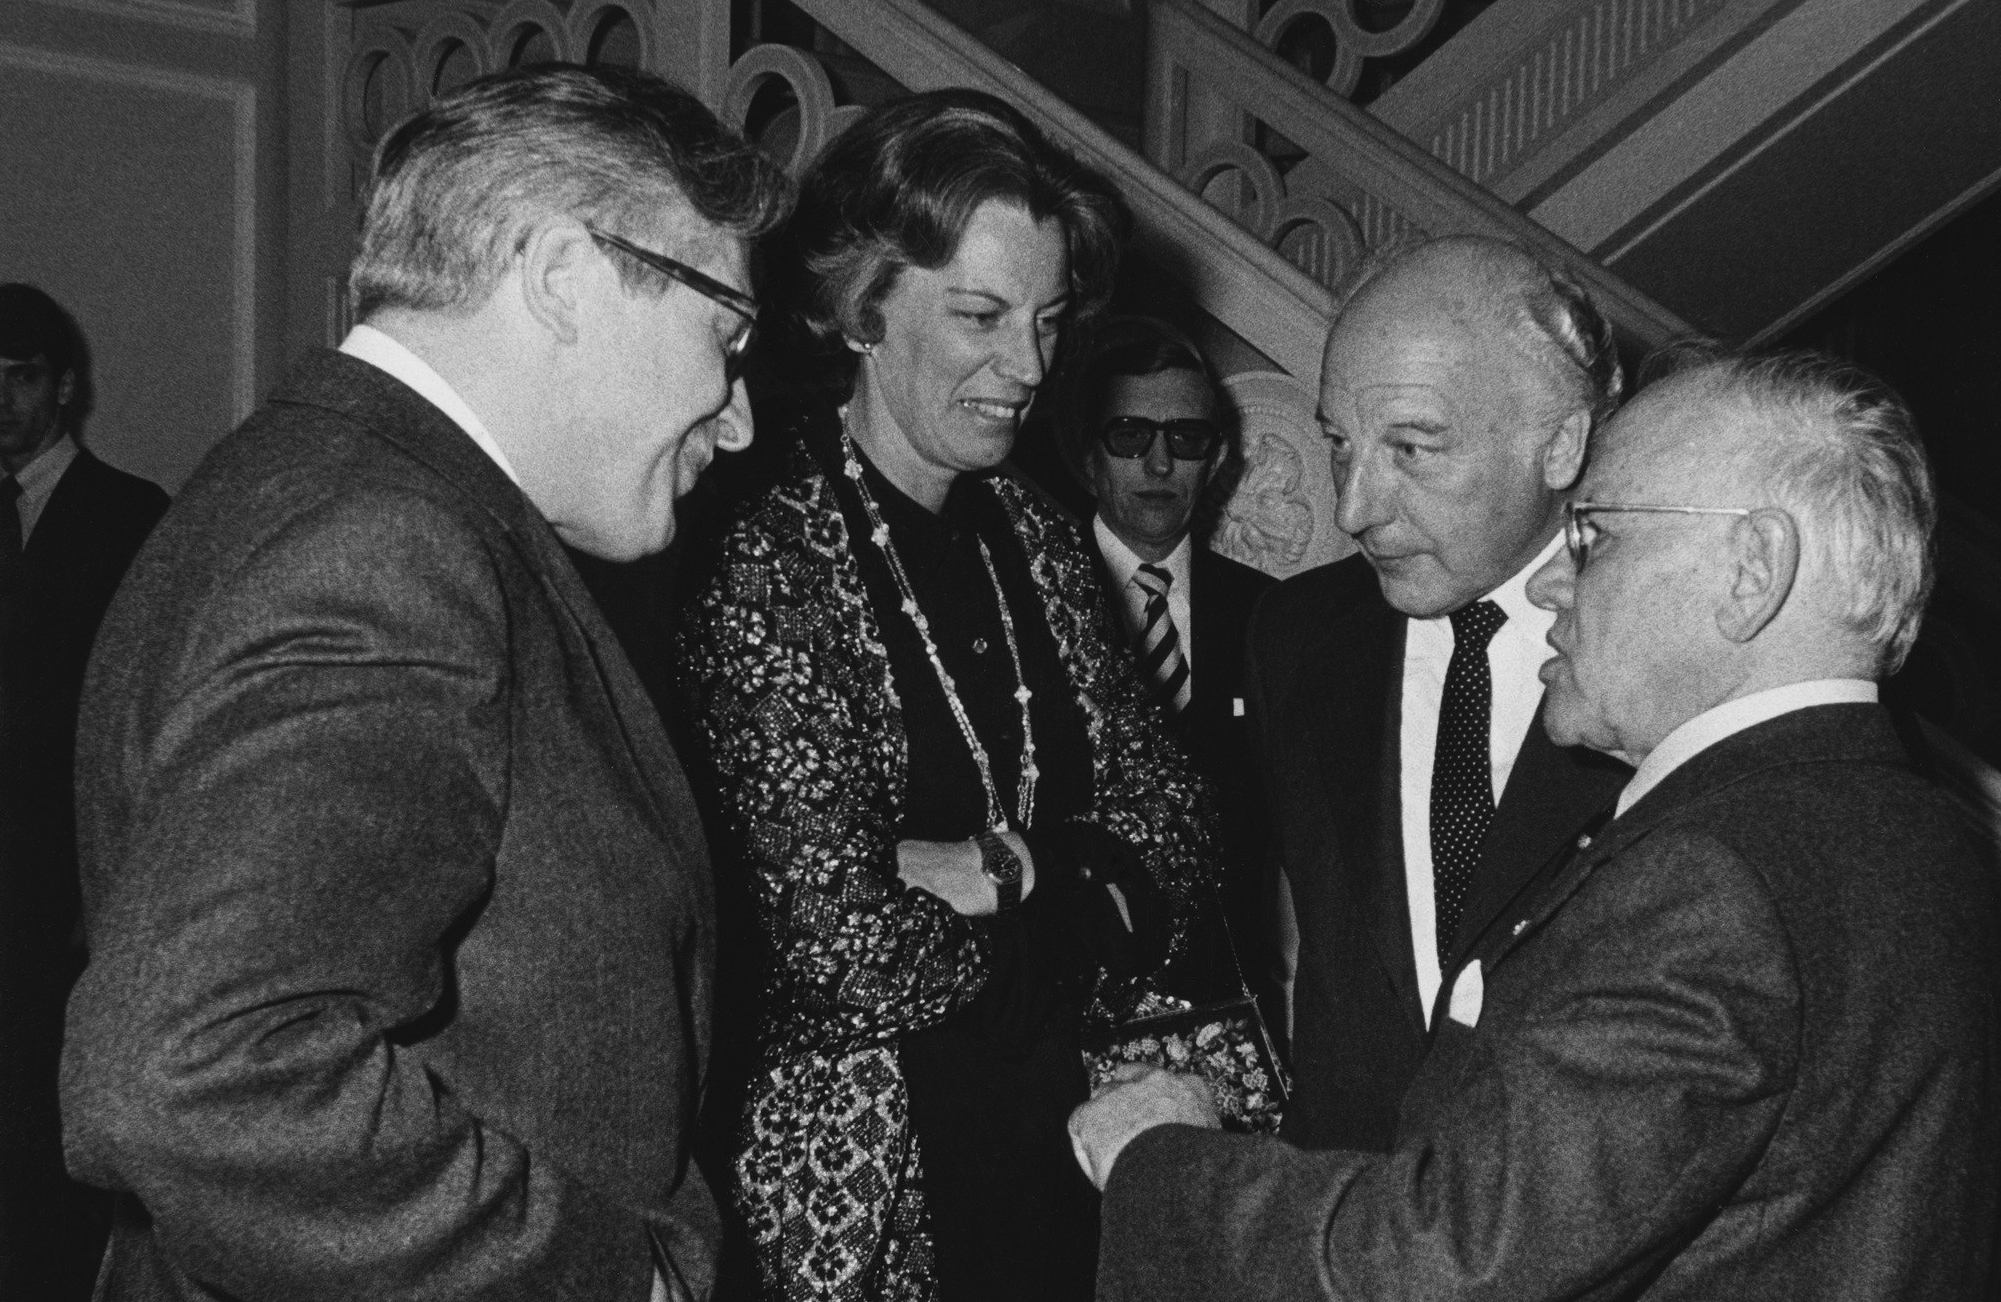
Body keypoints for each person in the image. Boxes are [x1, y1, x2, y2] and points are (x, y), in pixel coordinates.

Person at [59, 66, 789, 1301]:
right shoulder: (390, 544)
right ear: (564, 278)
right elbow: (189, 1071)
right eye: (727, 336)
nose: (741, 419)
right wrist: (614, 1280)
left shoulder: (319, 482)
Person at [1076, 349, 2001, 1301]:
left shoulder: (1710, 879)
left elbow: (1448, 1264)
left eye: (1594, 537)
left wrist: (1154, 1155)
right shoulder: (1928, 834)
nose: (1553, 584)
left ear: (1752, 570)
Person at [678, 89, 1218, 1302]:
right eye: (980, 315)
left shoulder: (1036, 531)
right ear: (865, 306)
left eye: (1048, 319)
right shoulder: (763, 553)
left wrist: (1007, 869)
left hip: (1076, 1161)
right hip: (875, 1200)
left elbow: (1181, 845)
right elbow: (842, 955)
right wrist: (1090, 888)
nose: (1029, 367)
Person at [1246, 235, 1631, 1150]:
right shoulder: (1295, 638)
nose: (1352, 508)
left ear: (1560, 443)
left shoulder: (1661, 652)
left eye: (1412, 448)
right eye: (1340, 444)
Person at [0, 284, 168, 1300]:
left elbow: (144, 721)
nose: (1, 404)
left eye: (19, 379)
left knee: (52, 1134)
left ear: (65, 386)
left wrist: (110, 888)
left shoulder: (129, 516)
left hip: (67, 892)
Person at [1056, 315, 1276, 1009]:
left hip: (1236, 1002)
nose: (1158, 466)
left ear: (1215, 460)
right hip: (1074, 998)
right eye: (1129, 436)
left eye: (1185, 439)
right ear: (1087, 458)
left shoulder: (1270, 619)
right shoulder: (1030, 600)